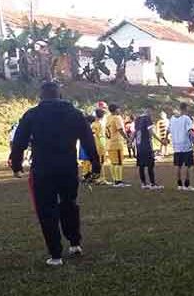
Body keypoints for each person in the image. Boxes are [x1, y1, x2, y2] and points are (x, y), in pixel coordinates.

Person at [10, 82, 100, 266]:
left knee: (46, 209)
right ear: (60, 95)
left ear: (41, 96)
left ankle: (55, 254)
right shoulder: (74, 114)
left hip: (43, 169)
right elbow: (88, 139)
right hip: (67, 167)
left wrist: (17, 164)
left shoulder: (32, 115)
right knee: (69, 203)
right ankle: (75, 243)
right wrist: (95, 163)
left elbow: (19, 141)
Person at [169, 103, 194, 191]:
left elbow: (168, 130)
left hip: (176, 145)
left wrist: (165, 139)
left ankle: (179, 185)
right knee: (188, 165)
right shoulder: (186, 118)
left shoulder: (172, 119)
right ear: (185, 108)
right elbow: (190, 132)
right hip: (186, 145)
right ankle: (187, 185)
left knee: (178, 165)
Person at [135, 107, 165, 190]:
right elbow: (151, 132)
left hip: (139, 146)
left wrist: (130, 141)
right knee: (150, 165)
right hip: (146, 145)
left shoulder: (137, 119)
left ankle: (143, 183)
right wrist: (161, 141)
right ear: (149, 111)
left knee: (141, 165)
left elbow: (135, 132)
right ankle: (152, 184)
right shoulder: (147, 119)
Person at [107, 104, 130, 187]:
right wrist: (127, 139)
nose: (119, 110)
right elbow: (120, 129)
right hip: (116, 143)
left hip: (109, 143)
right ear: (116, 110)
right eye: (118, 109)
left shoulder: (108, 117)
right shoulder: (117, 118)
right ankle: (118, 181)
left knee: (113, 163)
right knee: (119, 163)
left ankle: (115, 180)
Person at [91, 107, 110, 185]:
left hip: (94, 145)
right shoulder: (100, 124)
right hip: (100, 146)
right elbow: (101, 136)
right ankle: (102, 178)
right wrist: (103, 145)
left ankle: (96, 178)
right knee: (101, 162)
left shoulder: (93, 124)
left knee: (96, 162)